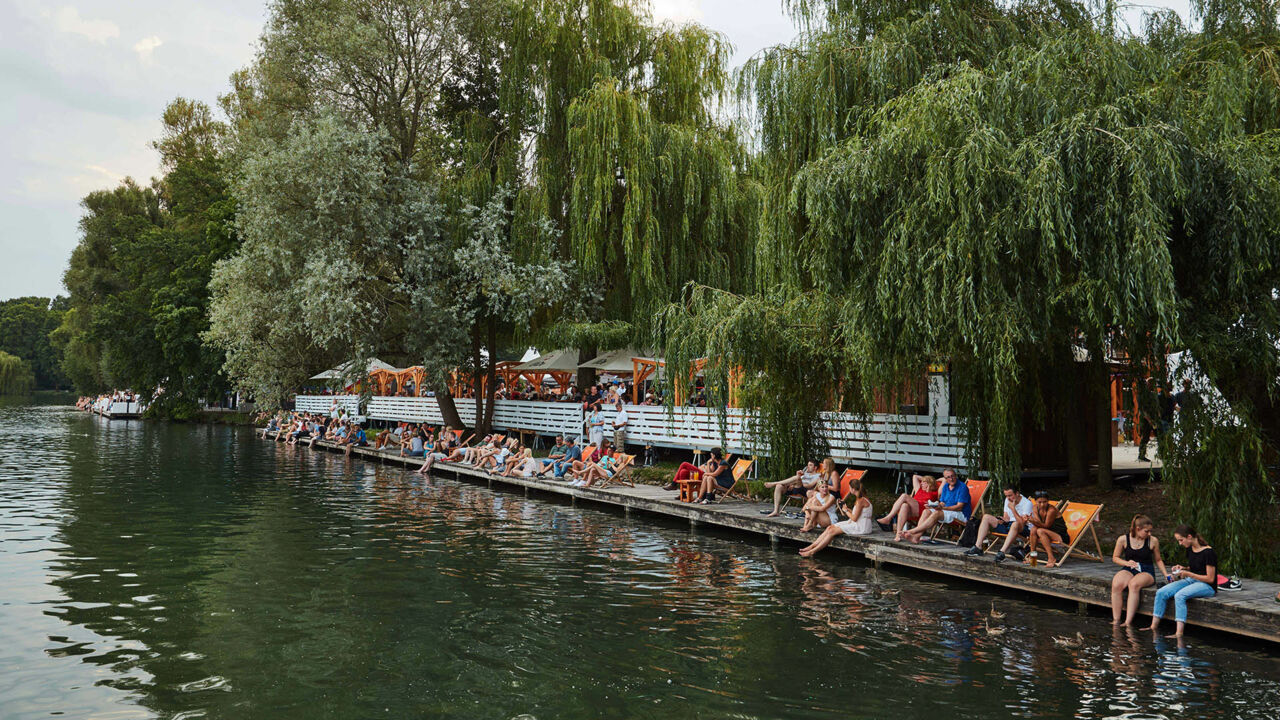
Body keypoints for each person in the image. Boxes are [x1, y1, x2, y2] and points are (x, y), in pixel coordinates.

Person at [1147, 525, 1218, 638]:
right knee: (1161, 592)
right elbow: (1195, 567)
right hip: (1191, 580)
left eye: (1181, 540)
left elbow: (1210, 578)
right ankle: (1153, 627)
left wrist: (1189, 574)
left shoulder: (1209, 553)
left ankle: (1179, 633)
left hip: (1207, 586)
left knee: (1180, 595)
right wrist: (1183, 568)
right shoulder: (1190, 549)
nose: (1180, 543)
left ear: (1189, 537)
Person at [1110, 514, 1170, 626]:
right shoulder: (1123, 539)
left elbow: (1158, 560)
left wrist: (1166, 574)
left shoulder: (1153, 541)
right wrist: (1127, 563)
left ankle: (1128, 622)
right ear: (1138, 529)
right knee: (1116, 584)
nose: (1149, 534)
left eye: (1150, 531)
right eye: (1147, 531)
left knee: (1133, 584)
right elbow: (1115, 558)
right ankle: (1116, 620)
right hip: (1129, 567)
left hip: (1146, 570)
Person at [798, 479, 875, 556]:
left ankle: (812, 551)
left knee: (832, 531)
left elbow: (854, 518)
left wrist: (845, 511)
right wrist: (848, 509)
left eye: (849, 488)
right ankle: (811, 547)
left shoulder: (860, 501)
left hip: (861, 527)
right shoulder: (862, 499)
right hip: (859, 523)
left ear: (853, 489)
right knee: (830, 528)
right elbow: (859, 514)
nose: (849, 489)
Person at [966, 485, 1033, 562]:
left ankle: (1002, 552)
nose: (1008, 498)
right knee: (986, 517)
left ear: (1017, 493)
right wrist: (1002, 520)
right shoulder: (1008, 500)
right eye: (1006, 496)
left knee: (1015, 524)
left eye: (1010, 495)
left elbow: (1022, 523)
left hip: (1023, 529)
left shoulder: (1027, 503)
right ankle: (978, 547)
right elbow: (1007, 518)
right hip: (1009, 526)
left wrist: (1013, 509)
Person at [901, 468, 969, 543]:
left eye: (952, 476)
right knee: (927, 511)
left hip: (961, 514)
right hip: (947, 511)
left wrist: (943, 508)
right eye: (948, 477)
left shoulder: (962, 487)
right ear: (946, 478)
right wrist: (934, 506)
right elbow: (942, 502)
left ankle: (912, 531)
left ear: (956, 476)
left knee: (937, 513)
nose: (951, 479)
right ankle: (916, 537)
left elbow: (959, 507)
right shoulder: (946, 487)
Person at [877, 474, 939, 539]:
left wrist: (934, 481)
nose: (921, 483)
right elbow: (915, 476)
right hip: (914, 509)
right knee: (904, 505)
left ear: (930, 484)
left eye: (924, 482)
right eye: (922, 482)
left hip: (923, 510)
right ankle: (898, 534)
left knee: (904, 496)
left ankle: (889, 517)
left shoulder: (934, 493)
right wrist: (926, 480)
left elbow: (944, 481)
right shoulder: (919, 489)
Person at [1026, 492, 1066, 567]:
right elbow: (1038, 523)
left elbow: (1046, 526)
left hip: (1060, 535)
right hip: (1046, 532)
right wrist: (1030, 520)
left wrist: (1033, 521)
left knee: (1039, 530)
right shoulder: (1035, 508)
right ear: (1035, 501)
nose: (1042, 504)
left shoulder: (1051, 510)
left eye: (1044, 502)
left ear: (1048, 501)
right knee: (1034, 529)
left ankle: (1051, 558)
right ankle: (1033, 556)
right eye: (1039, 502)